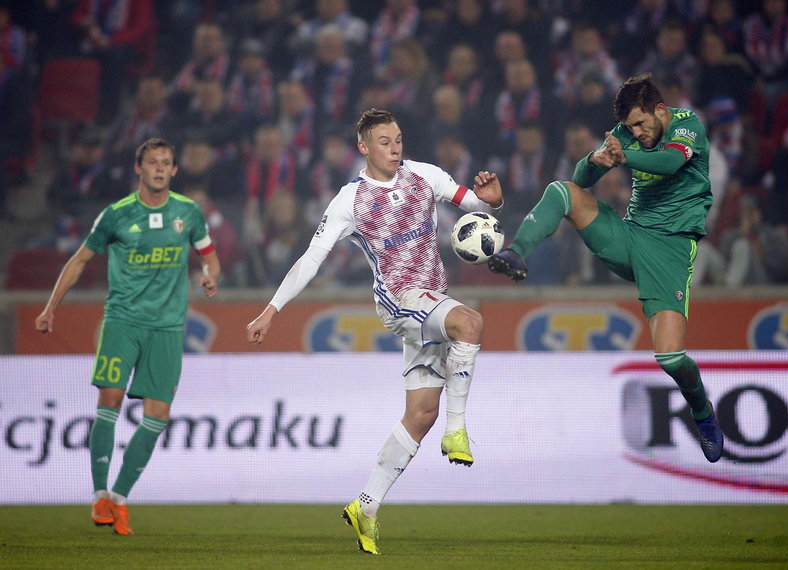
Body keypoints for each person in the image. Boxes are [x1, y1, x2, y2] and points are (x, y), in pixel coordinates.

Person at [245, 108, 503, 555]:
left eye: (398, 138)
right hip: (401, 301)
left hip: (431, 302)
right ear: (364, 147)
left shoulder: (423, 175)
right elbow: (311, 259)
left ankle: (365, 506)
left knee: (420, 416)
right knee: (472, 322)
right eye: (384, 141)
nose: (395, 146)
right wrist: (271, 310)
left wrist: (491, 201)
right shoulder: (350, 200)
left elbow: (474, 205)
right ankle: (457, 429)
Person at [488, 74, 724, 464]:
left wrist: (624, 155)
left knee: (670, 358)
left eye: (641, 125)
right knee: (562, 189)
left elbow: (667, 163)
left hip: (671, 250)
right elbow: (583, 180)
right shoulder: (625, 134)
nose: (636, 133)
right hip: (630, 238)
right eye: (630, 127)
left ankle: (704, 414)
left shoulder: (687, 125)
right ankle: (516, 253)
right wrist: (594, 160)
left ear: (660, 111)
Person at [34, 138, 221, 535]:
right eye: (152, 162)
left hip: (168, 328)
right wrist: (51, 307)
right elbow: (80, 259)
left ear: (174, 170)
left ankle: (119, 499)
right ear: (139, 168)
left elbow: (209, 255)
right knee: (110, 400)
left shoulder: (188, 213)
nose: (159, 168)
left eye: (166, 163)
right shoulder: (116, 215)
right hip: (122, 321)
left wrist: (210, 275)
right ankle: (99, 494)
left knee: (158, 415)